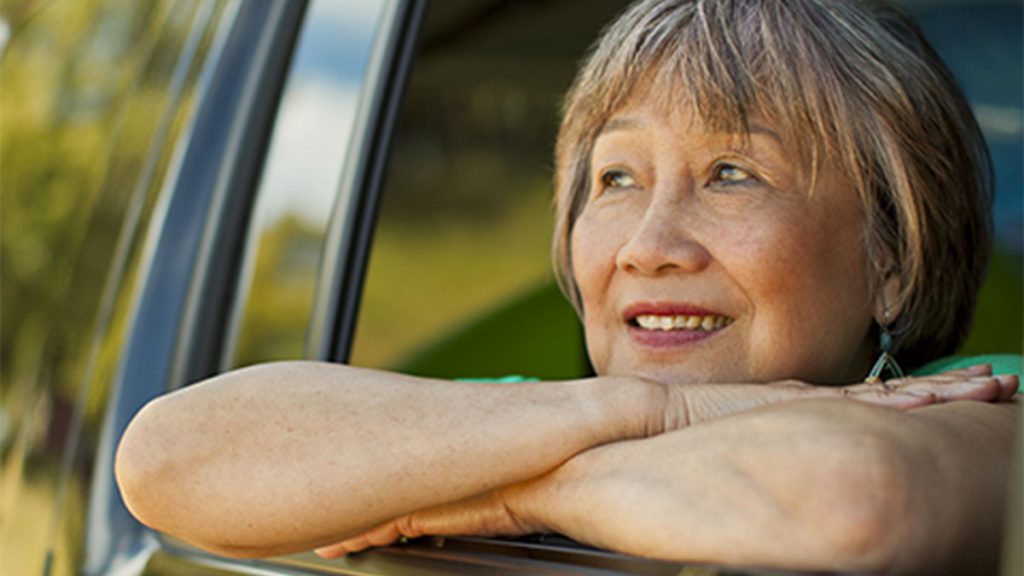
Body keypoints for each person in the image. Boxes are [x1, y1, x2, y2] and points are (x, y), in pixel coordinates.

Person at [114, 0, 1021, 574]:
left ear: (892, 262)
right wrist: (642, 415)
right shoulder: (563, 420)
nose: (649, 245)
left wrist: (517, 498)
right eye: (617, 178)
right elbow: (165, 460)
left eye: (734, 173)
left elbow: (854, 505)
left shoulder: (989, 402)